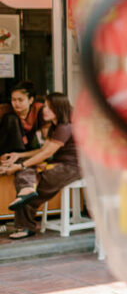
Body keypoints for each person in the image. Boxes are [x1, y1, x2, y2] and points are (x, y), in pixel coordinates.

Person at [0, 92, 79, 240]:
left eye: (49, 107)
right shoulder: (54, 127)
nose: (44, 110)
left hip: (71, 167)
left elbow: (45, 154)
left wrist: (20, 166)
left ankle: (26, 224)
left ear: (59, 108)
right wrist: (19, 156)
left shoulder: (65, 127)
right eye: (45, 106)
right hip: (57, 163)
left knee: (31, 180)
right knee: (26, 175)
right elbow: (42, 150)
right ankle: (27, 189)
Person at [0, 81, 43, 156]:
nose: (16, 103)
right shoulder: (5, 109)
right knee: (11, 118)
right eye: (13, 100)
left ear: (31, 100)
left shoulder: (39, 109)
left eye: (20, 100)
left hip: (32, 148)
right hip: (9, 150)